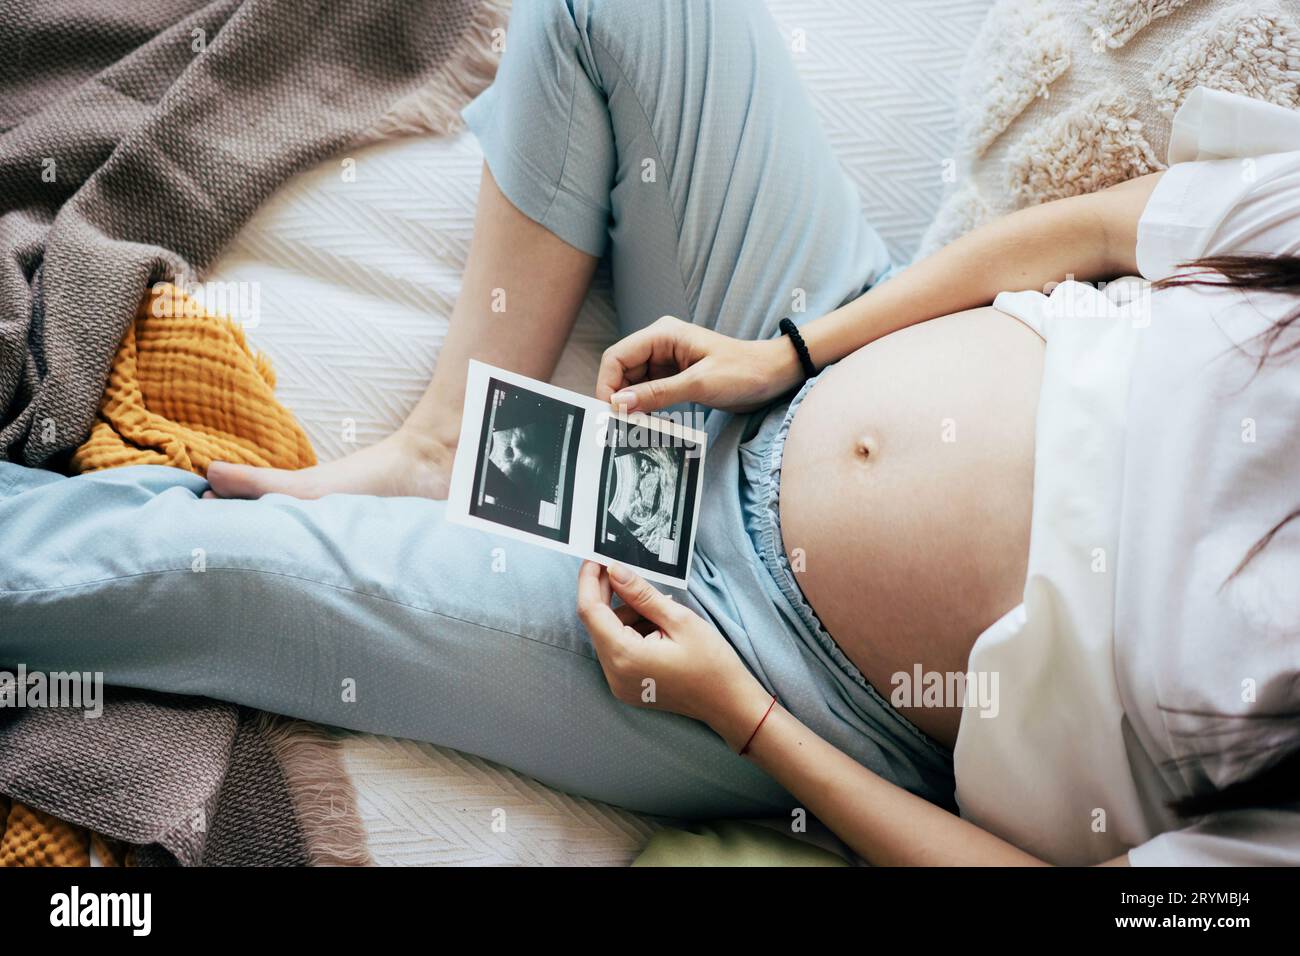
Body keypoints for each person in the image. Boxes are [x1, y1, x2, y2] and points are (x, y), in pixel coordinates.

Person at [2, 0, 1295, 864]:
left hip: (771, 665)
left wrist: (744, 724)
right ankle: (440, 446)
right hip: (806, 340)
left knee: (213, 580)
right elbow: (1108, 229)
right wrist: (787, 351)